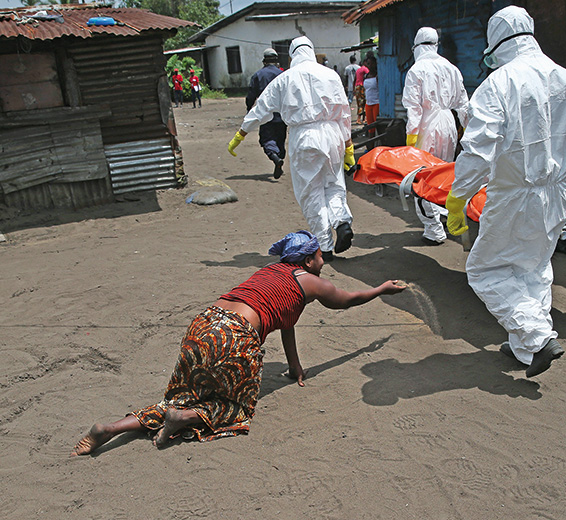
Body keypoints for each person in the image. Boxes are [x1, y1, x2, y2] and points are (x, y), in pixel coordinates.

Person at [71, 231, 407, 456]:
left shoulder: (271, 272)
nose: (323, 260)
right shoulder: (312, 283)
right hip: (235, 336)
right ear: (308, 261)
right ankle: (183, 419)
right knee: (233, 408)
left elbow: (285, 323)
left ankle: (111, 427)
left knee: (179, 395)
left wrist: (295, 367)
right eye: (320, 255)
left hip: (204, 324)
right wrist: (380, 289)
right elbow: (346, 300)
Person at [445, 6, 566, 378]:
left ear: (495, 43)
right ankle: (527, 350)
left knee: (484, 269)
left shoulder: (500, 82)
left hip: (516, 193)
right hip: (557, 192)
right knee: (534, 266)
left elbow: (478, 150)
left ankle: (537, 337)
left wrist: (458, 197)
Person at [228, 37, 356, 261]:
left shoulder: (284, 78)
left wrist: (242, 132)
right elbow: (344, 112)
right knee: (334, 184)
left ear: (292, 55)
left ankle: (325, 247)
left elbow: (261, 108)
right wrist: (349, 146)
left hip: (304, 136)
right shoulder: (330, 75)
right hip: (333, 134)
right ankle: (342, 222)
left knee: (311, 191)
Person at [402, 26, 469, 245]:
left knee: (421, 177)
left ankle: (433, 228)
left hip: (426, 125)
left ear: (417, 47)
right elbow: (463, 104)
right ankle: (447, 219)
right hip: (448, 123)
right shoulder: (451, 68)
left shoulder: (417, 70)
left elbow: (414, 109)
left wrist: (411, 139)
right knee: (444, 173)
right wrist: (466, 130)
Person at [246, 48, 287, 179]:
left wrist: (249, 110)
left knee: (267, 139)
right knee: (280, 139)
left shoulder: (258, 75)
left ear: (264, 61)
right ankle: (279, 157)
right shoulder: (283, 75)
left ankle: (275, 158)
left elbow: (251, 96)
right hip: (282, 115)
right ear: (276, 61)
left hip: (265, 115)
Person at [363, 54, 379, 137]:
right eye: (368, 64)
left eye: (372, 63)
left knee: (377, 126)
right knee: (370, 127)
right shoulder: (365, 76)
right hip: (368, 104)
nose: (370, 65)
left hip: (376, 103)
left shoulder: (377, 76)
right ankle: (370, 147)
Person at [354, 59, 369, 124]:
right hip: (362, 86)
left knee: (359, 103)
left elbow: (355, 79)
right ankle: (364, 119)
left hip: (357, 87)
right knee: (365, 102)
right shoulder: (365, 69)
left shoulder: (358, 70)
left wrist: (353, 88)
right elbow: (369, 75)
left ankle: (359, 119)